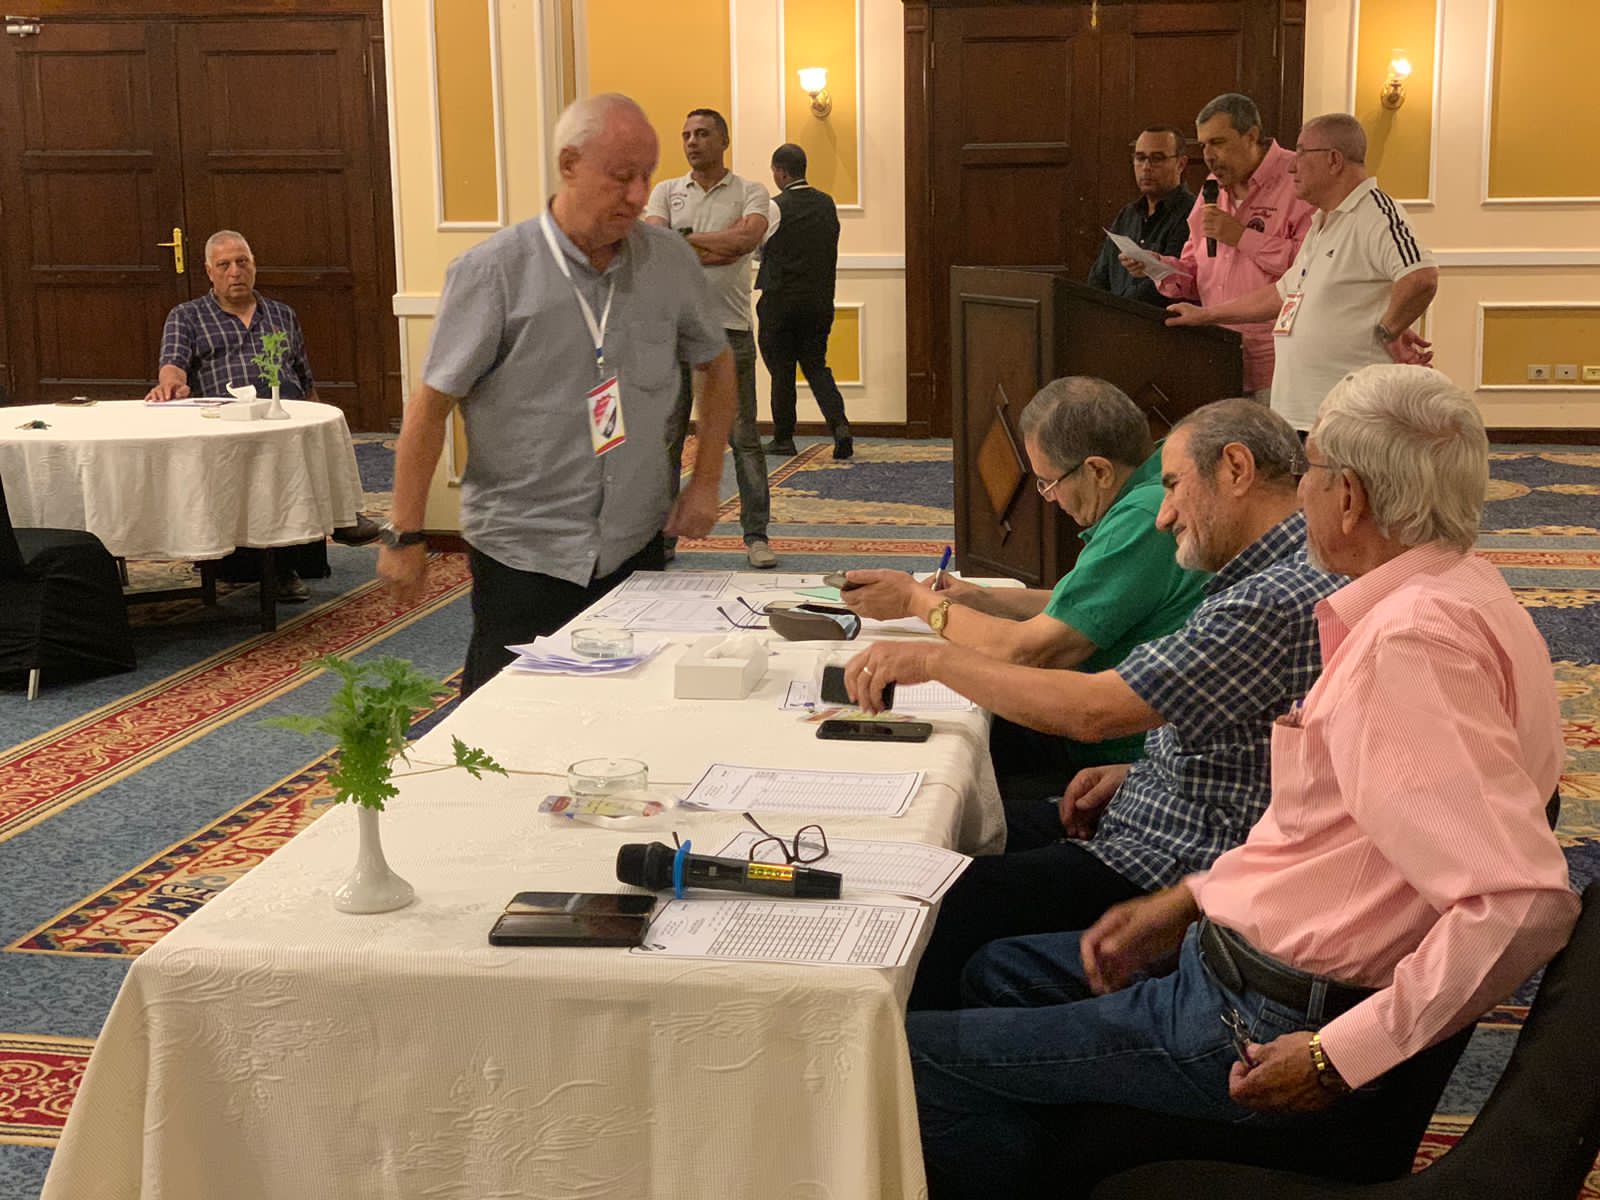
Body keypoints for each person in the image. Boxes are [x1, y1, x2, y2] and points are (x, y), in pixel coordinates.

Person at [905, 364, 1576, 1200]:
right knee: (995, 978)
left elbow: (1521, 903)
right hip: (1247, 964)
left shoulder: (1409, 648)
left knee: (912, 1061)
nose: (1301, 496)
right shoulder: (1463, 590)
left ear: (1348, 497)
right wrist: (1193, 899)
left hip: (1259, 1018)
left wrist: (1338, 1057)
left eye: (1312, 472)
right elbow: (1334, 832)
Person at [845, 400, 1341, 1009]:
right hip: (1157, 809)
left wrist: (933, 658)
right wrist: (1139, 771)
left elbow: (1090, 710)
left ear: (1236, 469)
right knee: (938, 839)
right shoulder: (1272, 571)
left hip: (1172, 856)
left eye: (1175, 487)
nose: (1164, 515)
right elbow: (1255, 741)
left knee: (931, 899)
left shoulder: (1271, 596)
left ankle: (908, 1055)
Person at [378, 93, 736, 697]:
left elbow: (718, 364)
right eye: (621, 176)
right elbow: (430, 407)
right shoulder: (493, 272)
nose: (638, 195)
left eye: (647, 176)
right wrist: (406, 534)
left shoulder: (669, 261)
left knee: (629, 710)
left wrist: (705, 482)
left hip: (635, 542)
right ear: (569, 165)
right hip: (525, 554)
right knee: (506, 723)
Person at [839, 377, 1208, 815]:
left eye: (1049, 482)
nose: (1049, 499)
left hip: (1112, 752)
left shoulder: (1145, 518)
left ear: (1098, 471)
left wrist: (914, 602)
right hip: (1113, 734)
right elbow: (1097, 608)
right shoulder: (1149, 483)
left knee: (932, 788)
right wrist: (987, 601)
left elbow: (1028, 651)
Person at [1166, 113, 1438, 433]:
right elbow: (1281, 294)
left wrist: (1386, 331)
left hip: (1348, 419)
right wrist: (1205, 315)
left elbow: (1420, 277)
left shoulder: (1375, 212)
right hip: (1300, 413)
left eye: (1302, 153)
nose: (1292, 166)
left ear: (1333, 160)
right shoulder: (1323, 221)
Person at [147, 229, 379, 599]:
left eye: (242, 262)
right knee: (269, 464)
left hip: (285, 412)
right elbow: (172, 366)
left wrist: (319, 421)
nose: (235, 272)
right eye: (224, 265)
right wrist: (171, 385)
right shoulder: (187, 316)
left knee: (325, 427)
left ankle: (343, 515)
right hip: (228, 424)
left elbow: (303, 376)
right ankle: (279, 571)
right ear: (209, 272)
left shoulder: (281, 315)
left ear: (254, 266)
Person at [644, 108, 776, 569]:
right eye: (686, 135)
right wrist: (715, 243)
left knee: (744, 439)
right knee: (668, 438)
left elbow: (745, 242)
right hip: (673, 334)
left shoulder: (751, 191)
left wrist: (685, 242)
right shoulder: (666, 191)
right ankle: (662, 539)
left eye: (702, 134)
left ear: (723, 140)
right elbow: (658, 247)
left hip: (729, 331)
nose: (692, 142)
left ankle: (756, 536)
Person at [1127, 93, 1315, 402]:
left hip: (1279, 365)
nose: (1208, 156)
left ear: (1251, 135)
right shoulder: (1212, 187)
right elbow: (1196, 271)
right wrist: (1158, 266)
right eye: (1203, 145)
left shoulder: (1298, 178)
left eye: (1218, 142)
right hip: (1219, 358)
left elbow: (1310, 271)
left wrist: (1241, 236)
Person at [756, 143, 853, 460]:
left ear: (780, 172)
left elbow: (758, 248)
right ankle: (840, 426)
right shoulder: (827, 205)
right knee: (816, 366)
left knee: (782, 370)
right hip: (819, 301)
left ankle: (783, 438)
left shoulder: (774, 207)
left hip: (780, 301)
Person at [1087, 125, 1196, 308]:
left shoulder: (1191, 213)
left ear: (1181, 164)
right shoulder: (1128, 214)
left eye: (1157, 158)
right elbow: (1099, 276)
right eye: (1140, 158)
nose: (1146, 167)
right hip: (1115, 318)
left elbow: (1170, 285)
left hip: (1158, 321)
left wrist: (1118, 309)